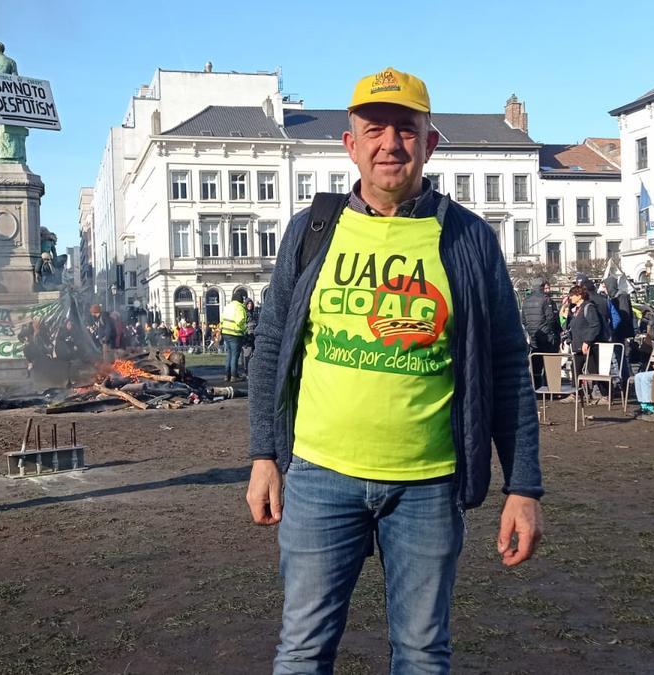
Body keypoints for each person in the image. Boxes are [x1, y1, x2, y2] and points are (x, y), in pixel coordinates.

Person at [246, 67, 542, 673]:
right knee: (302, 648)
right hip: (319, 477)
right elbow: (272, 344)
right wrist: (263, 455)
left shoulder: (467, 239)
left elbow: (509, 364)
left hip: (429, 485)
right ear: (350, 144)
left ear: (429, 143)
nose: (390, 143)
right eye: (373, 130)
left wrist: (523, 486)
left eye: (406, 129)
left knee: (422, 652)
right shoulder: (312, 232)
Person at [567, 284, 605, 403]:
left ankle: (606, 394)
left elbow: (595, 325)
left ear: (579, 295)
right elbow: (573, 326)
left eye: (572, 295)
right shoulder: (576, 309)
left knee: (594, 371)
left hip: (588, 346)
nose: (570, 297)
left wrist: (587, 341)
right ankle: (576, 393)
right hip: (577, 345)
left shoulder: (588, 307)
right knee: (575, 370)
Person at [522, 278, 560, 385]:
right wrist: (552, 332)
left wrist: (531, 331)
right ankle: (552, 388)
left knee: (536, 363)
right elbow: (551, 319)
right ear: (542, 287)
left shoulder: (526, 301)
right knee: (551, 362)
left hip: (534, 336)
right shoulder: (546, 299)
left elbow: (524, 320)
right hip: (547, 336)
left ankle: (537, 387)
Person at [220, 289, 248, 382]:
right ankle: (234, 376)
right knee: (235, 356)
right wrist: (245, 330)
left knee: (229, 354)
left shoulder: (227, 306)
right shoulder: (240, 307)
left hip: (225, 332)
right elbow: (241, 321)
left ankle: (226, 375)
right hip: (235, 334)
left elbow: (222, 319)